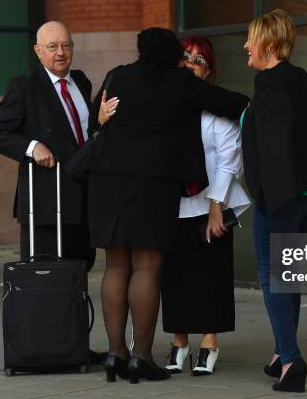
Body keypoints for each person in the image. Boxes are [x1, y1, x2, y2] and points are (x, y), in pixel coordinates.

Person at [88, 28, 249, 384]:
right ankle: (142, 358)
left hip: (108, 185)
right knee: (146, 267)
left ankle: (115, 354)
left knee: (115, 267)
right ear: (174, 55)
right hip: (150, 187)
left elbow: (94, 124)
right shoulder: (180, 82)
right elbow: (233, 103)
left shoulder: (117, 75)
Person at [0, 21, 109, 364]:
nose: (60, 53)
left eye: (65, 46)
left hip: (83, 199)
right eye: (52, 47)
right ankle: (45, 349)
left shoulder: (80, 82)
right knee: (46, 280)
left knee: (77, 277)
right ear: (38, 51)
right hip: (46, 204)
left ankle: (73, 346)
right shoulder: (24, 87)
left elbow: (87, 135)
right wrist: (32, 145)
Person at [241, 9, 307, 393]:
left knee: (274, 277)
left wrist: (265, 196)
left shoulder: (270, 81)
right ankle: (281, 352)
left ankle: (292, 361)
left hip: (284, 198)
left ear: (270, 45)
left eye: (251, 39)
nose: (246, 45)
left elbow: (277, 145)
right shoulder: (300, 79)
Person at [160, 35, 251, 377]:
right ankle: (179, 340)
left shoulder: (218, 105)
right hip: (175, 204)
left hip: (215, 199)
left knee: (211, 273)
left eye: (199, 60)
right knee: (175, 275)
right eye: (186, 58)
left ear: (208, 70)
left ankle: (209, 340)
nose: (191, 64)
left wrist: (216, 206)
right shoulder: (168, 105)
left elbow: (230, 158)